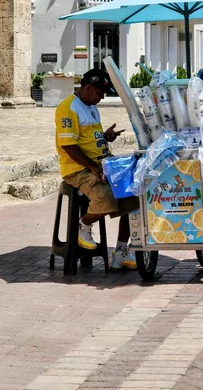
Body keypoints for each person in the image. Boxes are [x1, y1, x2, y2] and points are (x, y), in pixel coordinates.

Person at [55, 69, 138, 270]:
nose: (102, 97)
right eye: (100, 93)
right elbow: (69, 146)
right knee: (106, 198)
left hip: (102, 164)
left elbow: (90, 137)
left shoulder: (91, 106)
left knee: (133, 196)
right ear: (88, 87)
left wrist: (105, 136)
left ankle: (120, 252)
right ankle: (82, 226)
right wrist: (92, 167)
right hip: (78, 169)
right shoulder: (68, 108)